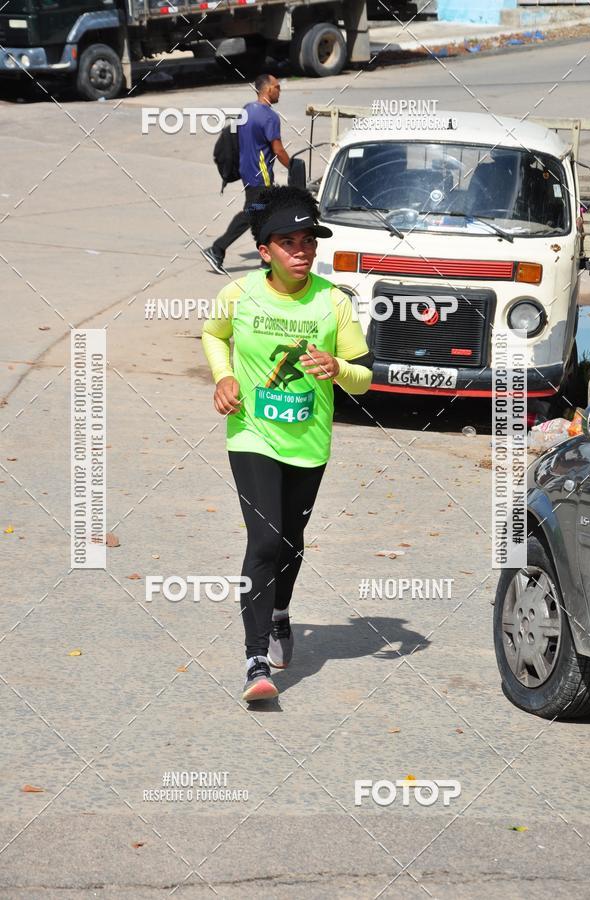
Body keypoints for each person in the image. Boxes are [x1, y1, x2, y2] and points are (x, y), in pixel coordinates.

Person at [201, 185, 373, 702]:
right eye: (289, 243)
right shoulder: (238, 295)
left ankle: (279, 612)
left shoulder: (333, 302)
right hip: (252, 435)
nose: (302, 251)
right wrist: (223, 376)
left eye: (309, 242)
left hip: (308, 442)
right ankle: (255, 661)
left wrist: (337, 368)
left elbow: (364, 375)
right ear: (265, 251)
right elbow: (214, 334)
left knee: (291, 542)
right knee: (265, 540)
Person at [202, 73, 290, 275]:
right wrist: (294, 166)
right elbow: (278, 150)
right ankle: (217, 249)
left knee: (264, 214)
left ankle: (267, 261)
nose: (279, 91)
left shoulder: (247, 110)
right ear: (268, 89)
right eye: (277, 87)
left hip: (247, 172)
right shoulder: (270, 117)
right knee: (253, 213)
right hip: (261, 177)